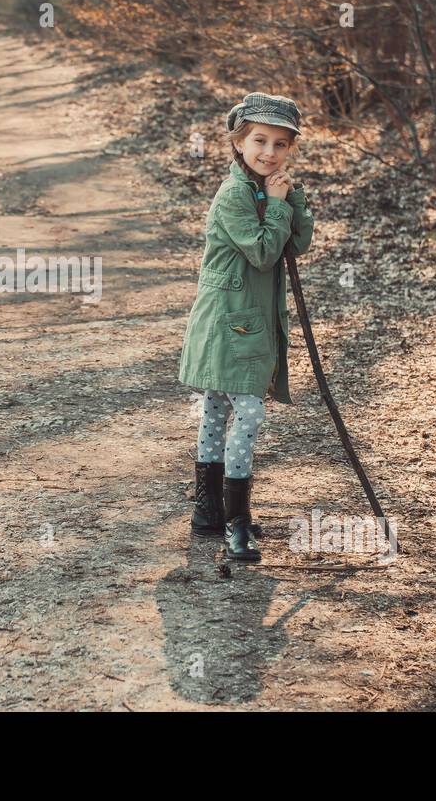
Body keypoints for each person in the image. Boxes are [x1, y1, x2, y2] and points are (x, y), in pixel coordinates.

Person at [176, 93, 316, 562]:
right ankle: (236, 519)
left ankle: (209, 511)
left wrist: (289, 197)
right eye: (260, 140)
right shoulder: (236, 194)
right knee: (246, 413)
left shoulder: (267, 188)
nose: (269, 152)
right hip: (228, 323)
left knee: (217, 411)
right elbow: (262, 251)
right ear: (239, 142)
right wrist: (276, 205)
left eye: (281, 143)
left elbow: (297, 243)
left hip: (248, 322)